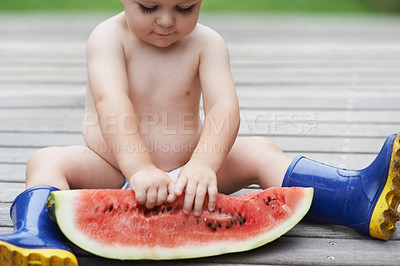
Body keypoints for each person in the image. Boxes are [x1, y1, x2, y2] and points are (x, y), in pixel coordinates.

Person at [1, 0, 399, 265]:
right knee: (45, 160)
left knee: (261, 151)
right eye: (149, 6)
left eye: (184, 6)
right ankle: (35, 233)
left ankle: (356, 197)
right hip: (112, 170)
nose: (166, 20)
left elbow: (224, 108)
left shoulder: (207, 43)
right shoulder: (107, 38)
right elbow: (111, 102)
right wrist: (138, 168)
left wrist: (205, 164)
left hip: (194, 172)